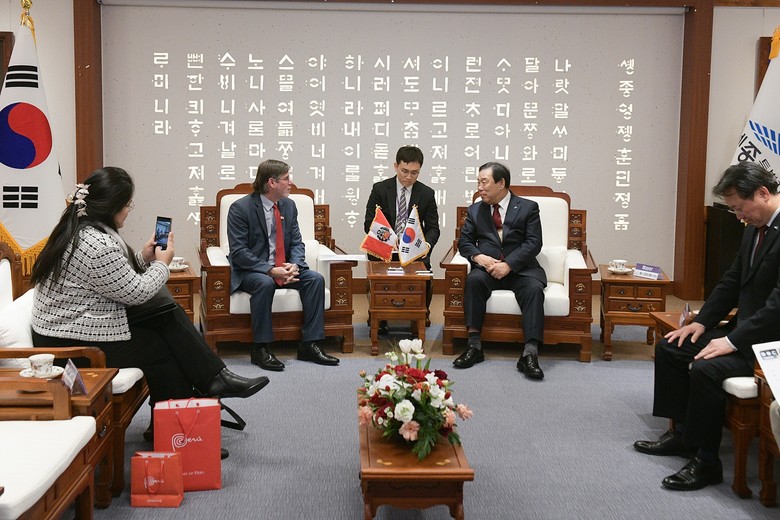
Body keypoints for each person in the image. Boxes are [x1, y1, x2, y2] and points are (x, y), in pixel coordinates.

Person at [30, 167, 268, 417]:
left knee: (166, 315)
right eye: (128, 205)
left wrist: (143, 257)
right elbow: (137, 292)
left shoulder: (81, 230)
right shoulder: (98, 244)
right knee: (161, 346)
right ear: (113, 207)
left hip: (73, 328)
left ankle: (208, 385)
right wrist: (162, 264)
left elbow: (110, 277)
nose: (128, 211)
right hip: (71, 344)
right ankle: (183, 417)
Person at [634, 161, 780, 491]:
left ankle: (707, 461)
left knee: (706, 368)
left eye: (740, 208)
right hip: (746, 332)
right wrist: (701, 323)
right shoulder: (753, 228)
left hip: (769, 344)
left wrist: (732, 341)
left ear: (762, 193)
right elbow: (732, 280)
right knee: (672, 346)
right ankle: (683, 434)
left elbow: (777, 306)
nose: (740, 217)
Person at [227, 159, 339, 371]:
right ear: (271, 182)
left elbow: (296, 242)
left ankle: (309, 344)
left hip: (283, 267)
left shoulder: (289, 205)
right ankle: (261, 348)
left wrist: (294, 265)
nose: (291, 183)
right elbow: (239, 252)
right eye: (286, 178)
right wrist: (270, 270)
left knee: (315, 280)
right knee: (265, 283)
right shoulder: (240, 208)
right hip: (252, 270)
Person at [453, 162, 546, 380]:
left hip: (520, 270)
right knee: (473, 281)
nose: (480, 188)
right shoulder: (475, 210)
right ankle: (474, 346)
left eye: (484, 182)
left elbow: (534, 243)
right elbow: (464, 242)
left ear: (501, 183)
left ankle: (529, 354)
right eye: (478, 182)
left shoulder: (528, 207)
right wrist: (479, 257)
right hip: (488, 269)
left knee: (533, 290)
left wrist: (509, 265)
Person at [363, 146, 440, 335]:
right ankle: (379, 316)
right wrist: (389, 238)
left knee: (424, 272)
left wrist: (426, 245)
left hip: (415, 251)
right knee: (378, 274)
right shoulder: (380, 189)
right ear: (396, 166)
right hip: (386, 248)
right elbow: (369, 223)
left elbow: (433, 228)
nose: (409, 177)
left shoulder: (426, 193)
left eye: (414, 173)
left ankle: (418, 315)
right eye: (405, 171)